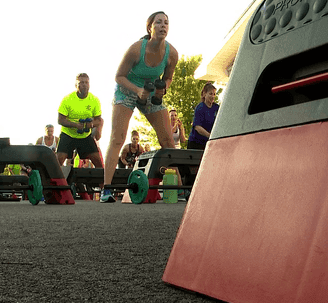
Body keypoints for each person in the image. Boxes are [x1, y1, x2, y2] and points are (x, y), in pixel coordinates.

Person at [101, 11, 179, 203]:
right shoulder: (136, 50)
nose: (163, 26)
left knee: (168, 140)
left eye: (166, 23)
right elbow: (119, 76)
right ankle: (106, 190)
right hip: (127, 89)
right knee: (117, 138)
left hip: (151, 92)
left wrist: (164, 89)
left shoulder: (172, 53)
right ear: (150, 27)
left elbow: (167, 78)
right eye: (158, 22)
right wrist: (137, 90)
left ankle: (181, 187)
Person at [56, 73, 104, 169]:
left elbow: (99, 120)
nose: (84, 85)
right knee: (57, 162)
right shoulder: (67, 99)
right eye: (81, 82)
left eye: (86, 82)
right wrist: (75, 125)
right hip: (68, 135)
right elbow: (60, 120)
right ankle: (54, 183)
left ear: (89, 85)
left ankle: (103, 184)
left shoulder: (94, 100)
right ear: (76, 85)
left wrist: (91, 124)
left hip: (85, 136)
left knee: (99, 163)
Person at [188, 83, 219, 150]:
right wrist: (210, 136)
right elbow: (198, 127)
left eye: (214, 94)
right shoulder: (200, 108)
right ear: (204, 94)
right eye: (210, 94)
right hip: (196, 144)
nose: (213, 96)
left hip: (209, 143)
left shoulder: (217, 108)